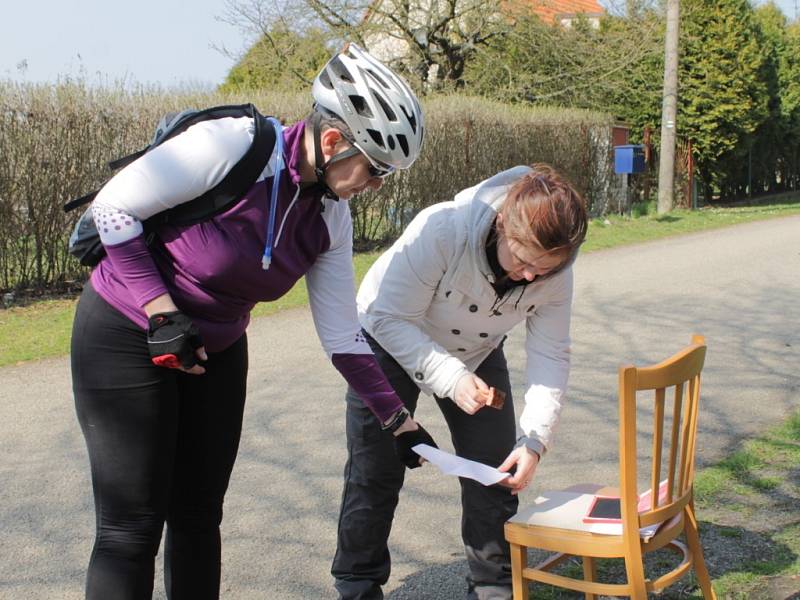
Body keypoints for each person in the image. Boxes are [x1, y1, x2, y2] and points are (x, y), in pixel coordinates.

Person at [69, 43, 435, 600]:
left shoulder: (331, 218)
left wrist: (397, 420)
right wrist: (160, 310)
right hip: (125, 329)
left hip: (215, 347)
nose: (377, 185)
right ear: (333, 141)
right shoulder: (234, 146)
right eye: (376, 168)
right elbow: (113, 209)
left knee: (197, 515)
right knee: (132, 526)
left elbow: (342, 334)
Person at [332, 164, 588, 600]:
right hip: (387, 338)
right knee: (376, 469)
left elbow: (550, 353)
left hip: (477, 350)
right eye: (523, 261)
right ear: (503, 223)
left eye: (541, 271)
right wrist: (451, 378)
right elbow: (388, 318)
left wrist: (534, 440)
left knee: (496, 469)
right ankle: (358, 584)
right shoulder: (443, 229)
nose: (528, 277)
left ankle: (493, 585)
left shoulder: (554, 274)